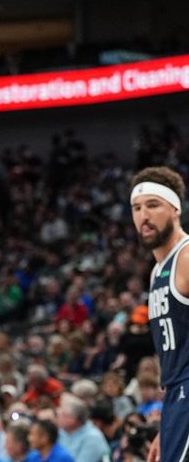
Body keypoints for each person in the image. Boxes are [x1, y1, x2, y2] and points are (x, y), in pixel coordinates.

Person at [129, 166, 188, 462]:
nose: (144, 215)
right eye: (137, 208)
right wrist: (167, 427)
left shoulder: (187, 258)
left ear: (175, 208)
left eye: (153, 205)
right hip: (176, 398)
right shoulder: (156, 272)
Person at [56, 393, 110, 462]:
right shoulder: (62, 432)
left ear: (72, 419)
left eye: (62, 414)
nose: (58, 417)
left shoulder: (93, 438)